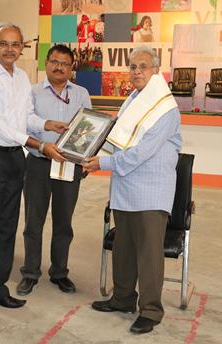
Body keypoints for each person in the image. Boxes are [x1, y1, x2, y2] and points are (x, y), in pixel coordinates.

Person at [0, 22, 66, 322]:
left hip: (13, 158)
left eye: (15, 44)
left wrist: (47, 125)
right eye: (4, 43)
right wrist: (38, 144)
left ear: (23, 47)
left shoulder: (22, 77)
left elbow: (24, 117)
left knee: (7, 228)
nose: (10, 49)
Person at [83, 46, 182, 335]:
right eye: (132, 66)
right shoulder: (133, 100)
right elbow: (116, 138)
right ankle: (123, 299)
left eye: (143, 66)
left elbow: (141, 153)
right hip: (126, 188)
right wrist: (84, 146)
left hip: (151, 192)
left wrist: (100, 162)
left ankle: (151, 310)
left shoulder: (165, 109)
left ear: (156, 70)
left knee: (149, 254)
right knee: (124, 249)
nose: (136, 71)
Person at [17, 44, 92, 296]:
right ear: (46, 63)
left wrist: (86, 158)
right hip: (38, 164)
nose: (59, 67)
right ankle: (30, 272)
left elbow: (90, 128)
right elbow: (24, 124)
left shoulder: (81, 94)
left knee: (63, 223)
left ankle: (59, 273)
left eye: (65, 63)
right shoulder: (32, 92)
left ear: (72, 68)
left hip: (69, 166)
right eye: (54, 62)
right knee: (32, 222)